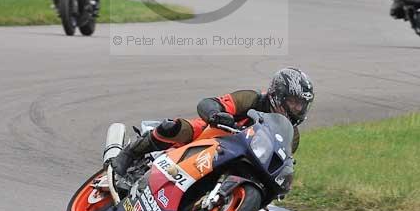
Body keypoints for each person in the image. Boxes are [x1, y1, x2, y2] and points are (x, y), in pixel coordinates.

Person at [109, 68, 315, 190]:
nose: (298, 109)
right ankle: (131, 152)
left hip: (241, 160)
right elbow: (209, 103)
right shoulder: (252, 99)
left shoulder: (292, 135)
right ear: (278, 94)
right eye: (294, 102)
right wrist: (217, 115)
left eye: (302, 105)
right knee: (173, 127)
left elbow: (278, 161)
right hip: (214, 135)